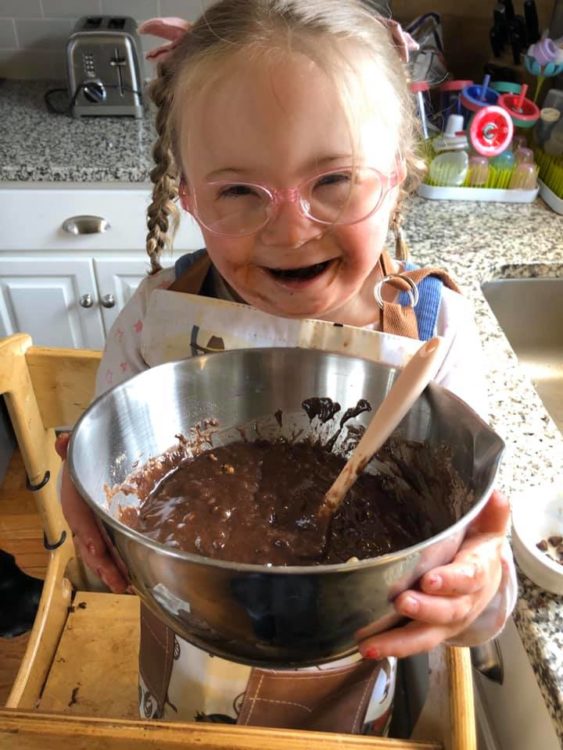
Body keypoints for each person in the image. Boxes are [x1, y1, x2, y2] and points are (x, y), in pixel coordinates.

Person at [57, 0, 516, 735]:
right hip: (181, 665)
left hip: (353, 693)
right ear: (189, 199)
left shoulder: (434, 335)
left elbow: (479, 590)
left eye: (333, 179)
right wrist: (77, 489)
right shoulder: (159, 316)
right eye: (239, 190)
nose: (291, 227)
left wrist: (476, 593)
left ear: (396, 176)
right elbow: (104, 478)